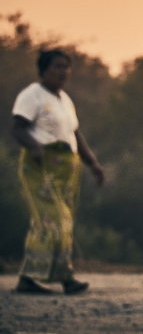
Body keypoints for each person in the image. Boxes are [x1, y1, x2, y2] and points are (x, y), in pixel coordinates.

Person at [10, 49, 105, 294]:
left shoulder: (64, 100)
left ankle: (49, 278)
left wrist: (92, 163)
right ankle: (49, 279)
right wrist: (35, 147)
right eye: (57, 66)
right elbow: (18, 128)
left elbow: (75, 134)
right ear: (44, 70)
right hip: (41, 166)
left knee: (62, 222)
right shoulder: (32, 95)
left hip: (66, 169)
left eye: (66, 66)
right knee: (53, 222)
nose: (63, 71)